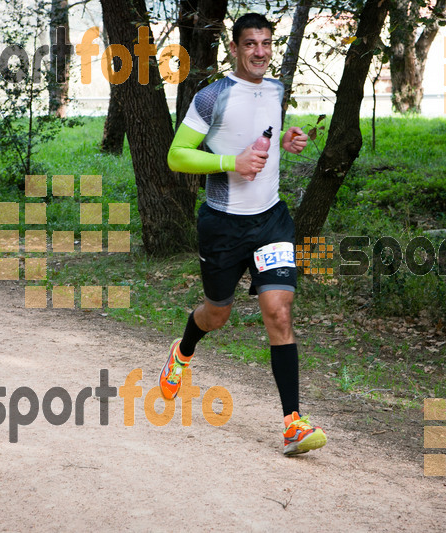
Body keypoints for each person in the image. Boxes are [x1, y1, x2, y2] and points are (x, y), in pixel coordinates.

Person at [159, 13, 326, 456]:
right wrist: (230, 163)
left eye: (266, 43)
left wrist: (287, 142)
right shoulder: (213, 96)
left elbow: (263, 139)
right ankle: (183, 350)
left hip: (270, 220)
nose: (260, 52)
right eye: (250, 44)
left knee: (279, 311)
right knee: (217, 314)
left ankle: (293, 423)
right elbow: (177, 156)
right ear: (234, 48)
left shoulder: (276, 90)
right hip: (223, 224)